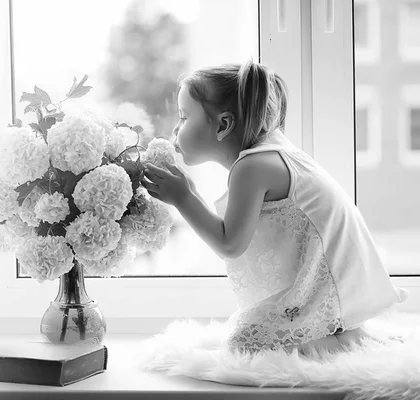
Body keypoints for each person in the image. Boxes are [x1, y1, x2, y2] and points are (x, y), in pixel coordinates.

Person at [141, 60, 408, 355]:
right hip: (340, 294)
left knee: (243, 344)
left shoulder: (252, 166)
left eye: (183, 117)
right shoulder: (272, 153)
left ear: (223, 124)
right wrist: (187, 191)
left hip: (330, 299)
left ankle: (338, 341)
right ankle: (342, 333)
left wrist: (184, 196)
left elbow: (230, 244)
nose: (176, 129)